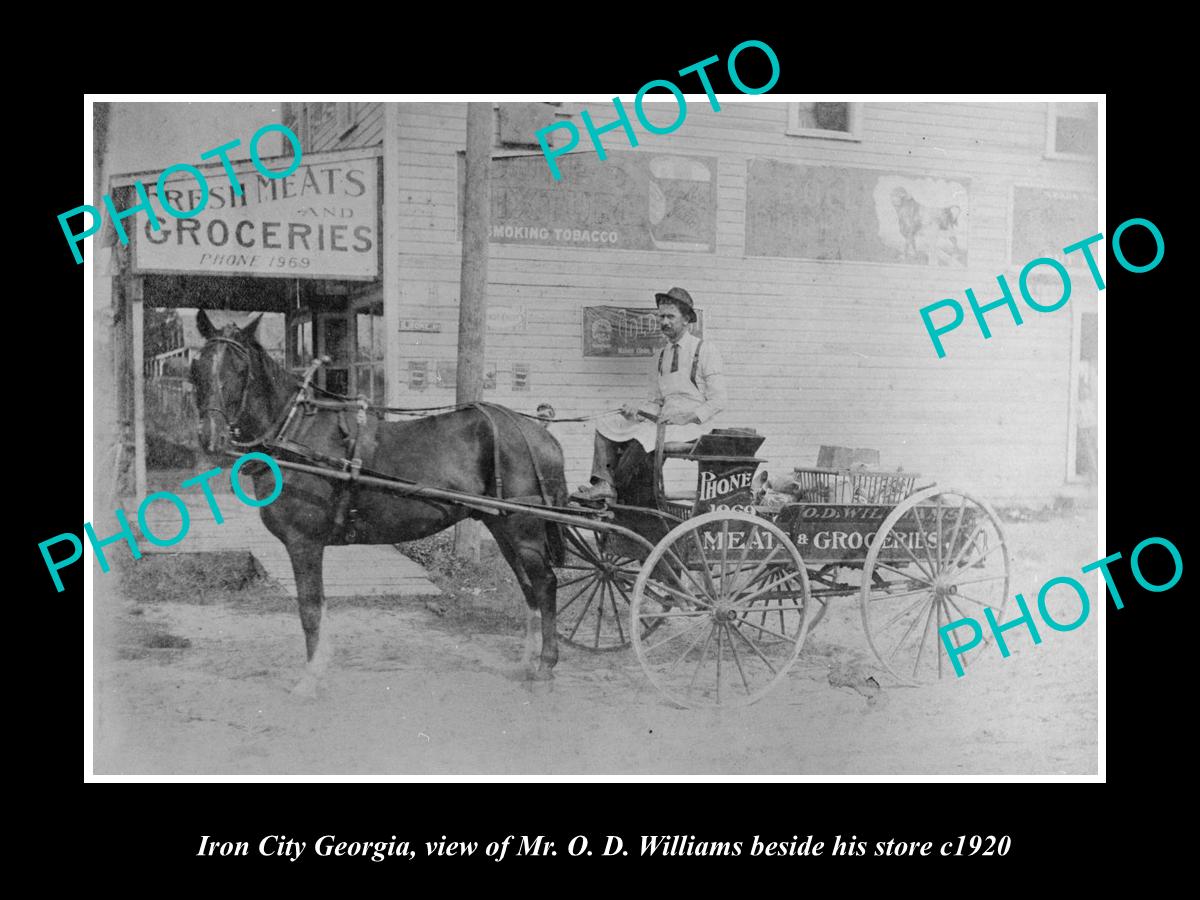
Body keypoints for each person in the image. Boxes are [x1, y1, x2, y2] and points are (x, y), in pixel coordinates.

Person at [575, 287, 727, 501]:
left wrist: (686, 417)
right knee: (605, 423)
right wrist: (636, 412)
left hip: (693, 426)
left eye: (670, 316)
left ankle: (622, 496)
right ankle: (603, 483)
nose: (664, 322)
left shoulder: (705, 350)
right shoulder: (661, 355)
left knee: (641, 439)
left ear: (686, 319)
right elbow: (656, 402)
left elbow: (719, 400)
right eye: (661, 316)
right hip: (664, 422)